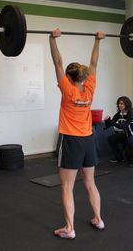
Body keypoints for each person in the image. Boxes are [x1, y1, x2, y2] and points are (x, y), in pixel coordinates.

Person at [50, 28, 106, 239]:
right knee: (90, 183)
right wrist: (97, 40)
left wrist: (52, 40)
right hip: (89, 140)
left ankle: (69, 228)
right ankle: (98, 219)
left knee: (67, 186)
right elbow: (94, 64)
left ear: (69, 77)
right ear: (82, 77)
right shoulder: (89, 88)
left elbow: (57, 62)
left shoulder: (68, 90)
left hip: (71, 141)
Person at [104, 96, 133, 168]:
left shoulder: (130, 115)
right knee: (111, 139)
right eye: (119, 103)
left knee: (130, 140)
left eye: (122, 103)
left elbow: (122, 126)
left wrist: (111, 122)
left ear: (126, 105)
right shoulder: (119, 114)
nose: (120, 105)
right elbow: (108, 126)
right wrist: (107, 120)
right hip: (127, 135)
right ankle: (119, 157)